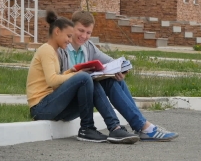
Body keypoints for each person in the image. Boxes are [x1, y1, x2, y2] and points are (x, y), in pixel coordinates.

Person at [57, 11, 179, 142]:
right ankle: (139, 127)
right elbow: (57, 81)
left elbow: (112, 62)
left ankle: (141, 126)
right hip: (66, 100)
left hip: (83, 96)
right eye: (80, 30)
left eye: (88, 32)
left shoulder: (88, 46)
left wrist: (121, 70)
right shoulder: (60, 48)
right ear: (71, 27)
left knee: (114, 80)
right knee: (93, 81)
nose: (84, 36)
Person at [26, 10, 138, 144]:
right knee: (85, 77)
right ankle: (89, 127)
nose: (69, 39)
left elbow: (57, 80)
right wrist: (77, 74)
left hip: (53, 107)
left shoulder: (54, 52)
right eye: (68, 35)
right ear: (57, 32)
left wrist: (73, 71)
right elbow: (52, 81)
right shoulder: (46, 50)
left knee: (90, 79)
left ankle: (113, 128)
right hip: (40, 108)